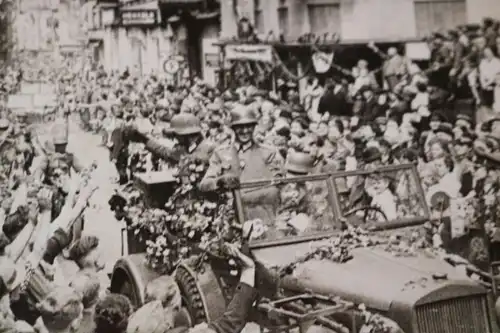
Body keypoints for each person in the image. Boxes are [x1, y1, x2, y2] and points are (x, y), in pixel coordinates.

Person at [200, 105, 284, 223]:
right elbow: (204, 185)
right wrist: (219, 181)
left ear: (254, 127)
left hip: (263, 219)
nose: (244, 131)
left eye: (248, 126)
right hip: (231, 221)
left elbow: (279, 186)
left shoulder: (268, 153)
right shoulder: (221, 153)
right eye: (240, 127)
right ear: (233, 128)